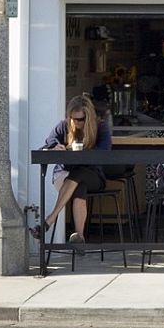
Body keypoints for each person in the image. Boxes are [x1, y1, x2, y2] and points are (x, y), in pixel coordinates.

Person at [36, 94, 109, 247]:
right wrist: (55, 148)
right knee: (78, 184)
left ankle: (51, 218)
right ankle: (80, 237)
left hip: (93, 175)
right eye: (72, 118)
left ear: (88, 118)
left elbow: (104, 152)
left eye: (80, 119)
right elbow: (47, 145)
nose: (76, 122)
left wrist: (82, 153)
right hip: (65, 176)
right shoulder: (63, 126)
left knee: (79, 174)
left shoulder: (100, 127)